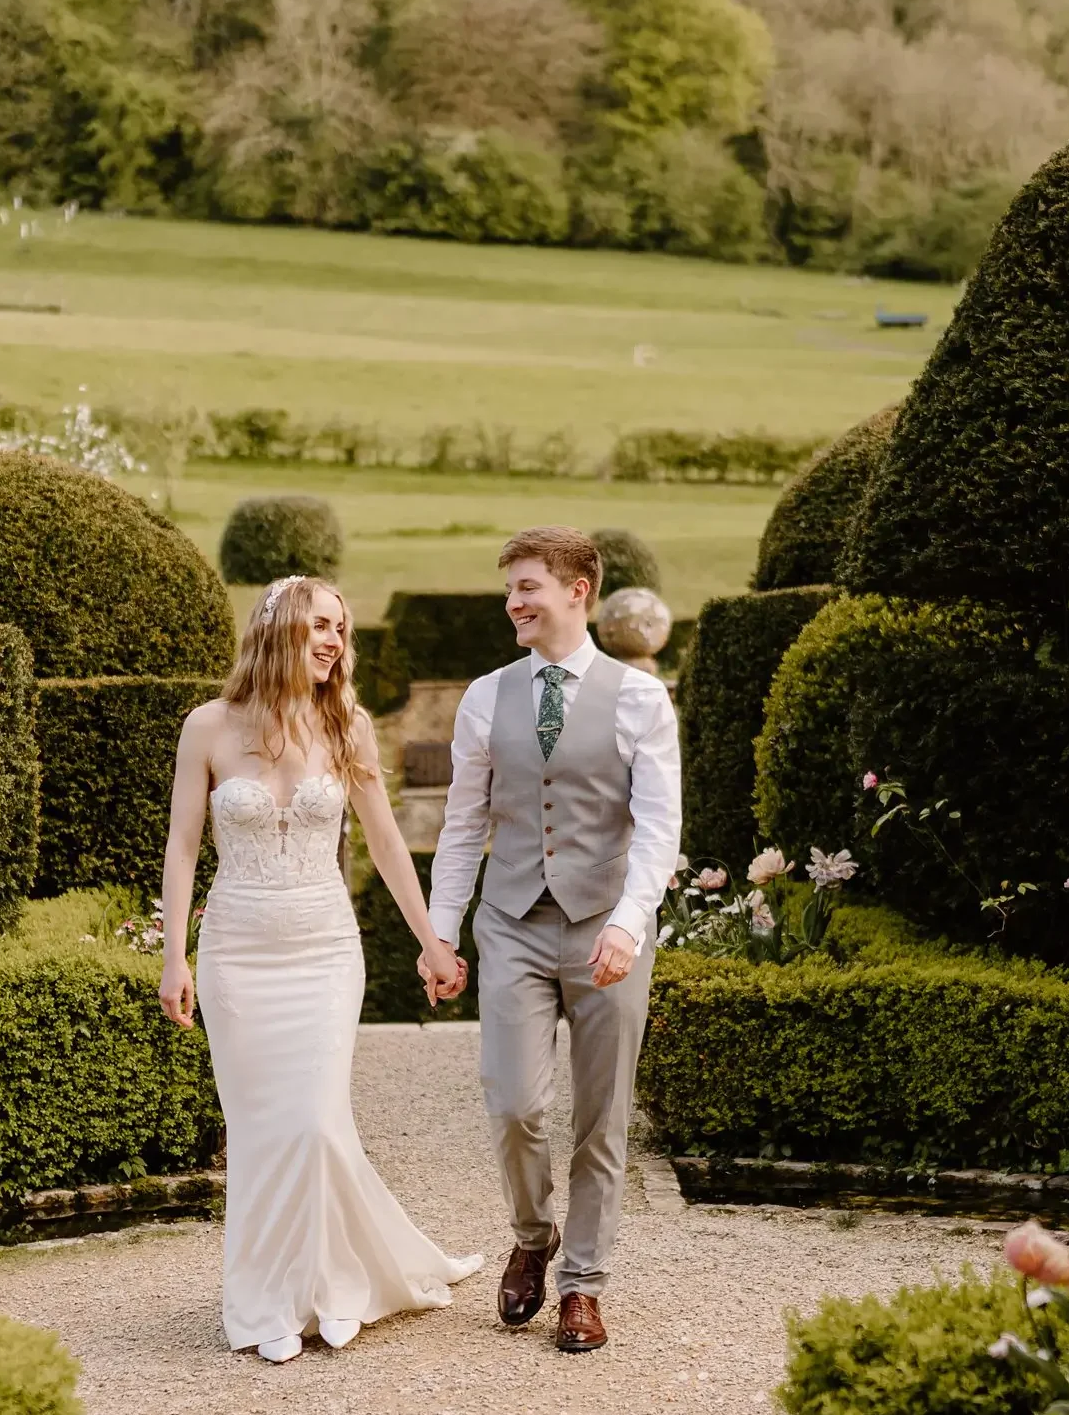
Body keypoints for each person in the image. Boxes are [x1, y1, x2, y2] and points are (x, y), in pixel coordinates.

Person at [157, 574, 483, 1364]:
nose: (334, 640)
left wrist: (434, 941)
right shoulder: (206, 727)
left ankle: (335, 1285)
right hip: (238, 954)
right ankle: (266, 1300)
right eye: (319, 626)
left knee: (315, 1123)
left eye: (340, 627)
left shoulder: (349, 728)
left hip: (325, 951)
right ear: (277, 634)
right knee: (262, 1132)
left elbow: (382, 843)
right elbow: (183, 845)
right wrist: (175, 956)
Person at [423, 526, 681, 1353]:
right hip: (511, 925)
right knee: (515, 1104)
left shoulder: (641, 699)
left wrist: (628, 924)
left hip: (606, 928)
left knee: (602, 1120)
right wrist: (440, 934)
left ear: (579, 590)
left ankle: (584, 1285)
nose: (513, 603)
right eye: (510, 590)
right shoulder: (483, 697)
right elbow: (462, 826)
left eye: (527, 587)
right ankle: (534, 1237)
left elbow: (658, 828)